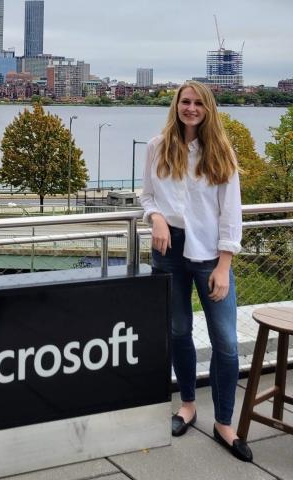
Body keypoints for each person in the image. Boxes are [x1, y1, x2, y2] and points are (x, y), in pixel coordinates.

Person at [140, 80, 252, 462]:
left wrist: (224, 265)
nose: (190, 108)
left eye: (198, 103)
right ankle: (187, 404)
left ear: (208, 109)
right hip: (168, 248)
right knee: (177, 330)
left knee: (226, 341)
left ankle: (224, 422)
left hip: (209, 254)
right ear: (177, 105)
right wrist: (154, 217)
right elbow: (147, 194)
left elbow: (231, 214)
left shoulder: (221, 152)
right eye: (185, 102)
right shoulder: (158, 147)